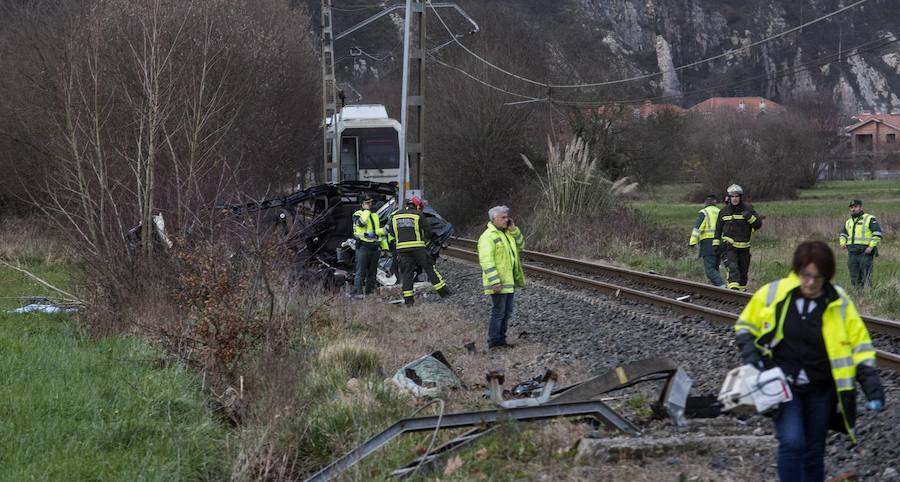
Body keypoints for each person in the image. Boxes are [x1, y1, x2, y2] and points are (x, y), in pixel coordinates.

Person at [733, 241, 884, 482]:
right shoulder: (773, 293)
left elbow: (860, 346)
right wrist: (753, 359)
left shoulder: (839, 301)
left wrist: (872, 387)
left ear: (827, 276)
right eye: (806, 276)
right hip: (783, 387)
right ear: (797, 271)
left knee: (814, 453)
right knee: (792, 443)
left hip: (821, 390)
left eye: (818, 277)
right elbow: (745, 327)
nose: (811, 283)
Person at [385, 196, 450, 305]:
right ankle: (444, 293)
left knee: (406, 275)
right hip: (418, 249)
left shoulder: (395, 216)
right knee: (430, 269)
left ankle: (409, 301)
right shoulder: (418, 214)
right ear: (418, 206)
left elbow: (391, 232)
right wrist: (427, 239)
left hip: (402, 251)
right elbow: (428, 231)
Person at [477, 205, 525, 349]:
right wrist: (494, 281)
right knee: (498, 312)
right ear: (494, 219)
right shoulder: (487, 237)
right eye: (503, 217)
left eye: (507, 217)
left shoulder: (507, 234)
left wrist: (514, 230)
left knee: (506, 312)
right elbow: (486, 260)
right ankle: (494, 342)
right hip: (497, 282)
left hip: (508, 281)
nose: (506, 220)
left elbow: (521, 245)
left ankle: (501, 341)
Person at [713, 184, 762, 291]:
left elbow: (758, 224)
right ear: (729, 198)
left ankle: (741, 295)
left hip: (744, 248)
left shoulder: (748, 208)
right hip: (729, 247)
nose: (734, 199)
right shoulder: (724, 211)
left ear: (740, 197)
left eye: (737, 196)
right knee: (733, 269)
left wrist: (749, 217)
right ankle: (733, 292)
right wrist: (716, 244)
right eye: (732, 196)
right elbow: (718, 229)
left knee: (743, 273)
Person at [839, 199, 882, 288]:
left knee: (866, 276)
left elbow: (877, 233)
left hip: (865, 252)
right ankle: (857, 295)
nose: (853, 209)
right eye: (851, 207)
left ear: (861, 207)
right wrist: (843, 243)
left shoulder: (869, 218)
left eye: (855, 207)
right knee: (854, 276)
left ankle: (868, 296)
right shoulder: (848, 221)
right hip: (852, 253)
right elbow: (843, 234)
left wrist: (871, 247)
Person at [351, 197, 386, 296]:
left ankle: (369, 294)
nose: (370, 204)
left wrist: (382, 245)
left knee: (372, 273)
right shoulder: (357, 214)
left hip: (374, 247)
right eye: (367, 202)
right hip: (363, 247)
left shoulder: (374, 215)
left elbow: (377, 232)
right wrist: (366, 211)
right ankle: (358, 294)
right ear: (362, 204)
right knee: (360, 273)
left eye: (371, 202)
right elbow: (361, 223)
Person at [689, 194, 725, 287]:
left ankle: (723, 287)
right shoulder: (720, 212)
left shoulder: (704, 212)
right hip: (720, 242)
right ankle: (719, 290)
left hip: (708, 244)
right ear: (715, 202)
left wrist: (692, 242)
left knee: (710, 270)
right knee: (715, 268)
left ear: (706, 202)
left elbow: (697, 228)